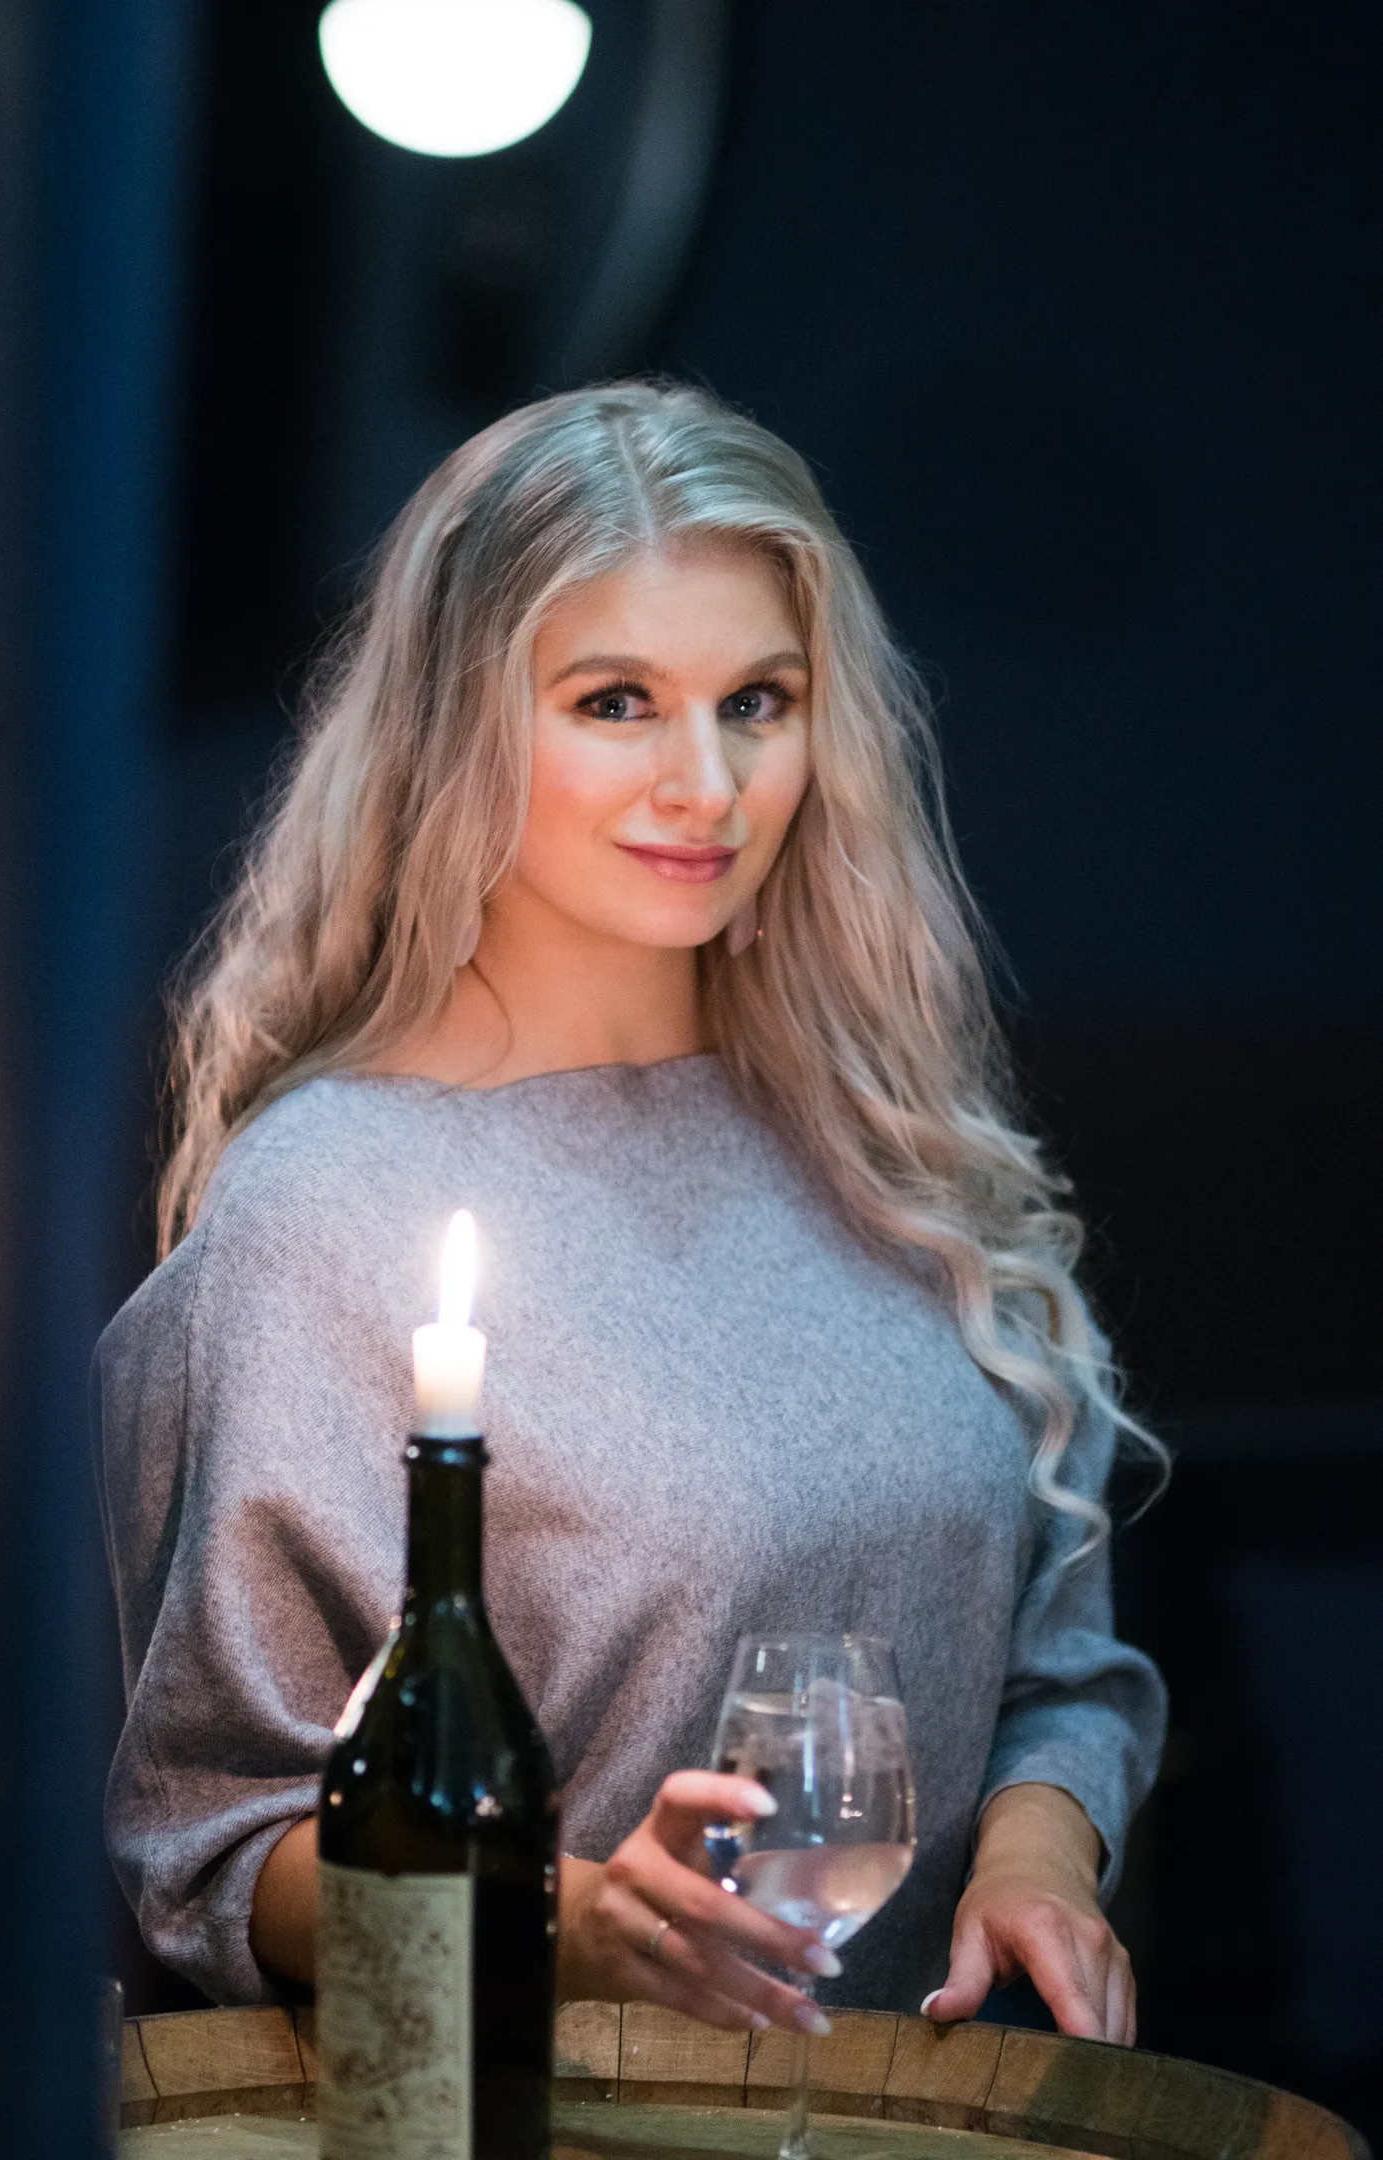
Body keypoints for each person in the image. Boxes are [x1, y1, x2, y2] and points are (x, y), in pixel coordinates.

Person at [95, 381, 1166, 2049]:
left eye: (759, 701)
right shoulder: (328, 1209)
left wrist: (1035, 1851)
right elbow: (217, 1846)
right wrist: (560, 1921)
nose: (708, 783)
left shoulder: (882, 1149)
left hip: (879, 2127)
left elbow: (1051, 1651)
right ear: (460, 724)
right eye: (615, 702)